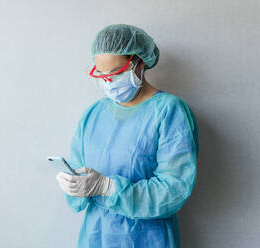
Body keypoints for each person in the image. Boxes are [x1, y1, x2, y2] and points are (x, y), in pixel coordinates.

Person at [55, 24, 199, 248]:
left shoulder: (169, 111)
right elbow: (78, 167)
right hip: (96, 236)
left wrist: (108, 187)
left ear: (139, 63)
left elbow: (174, 189)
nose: (108, 82)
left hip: (148, 238)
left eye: (116, 72)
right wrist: (73, 184)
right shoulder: (94, 114)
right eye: (101, 74)